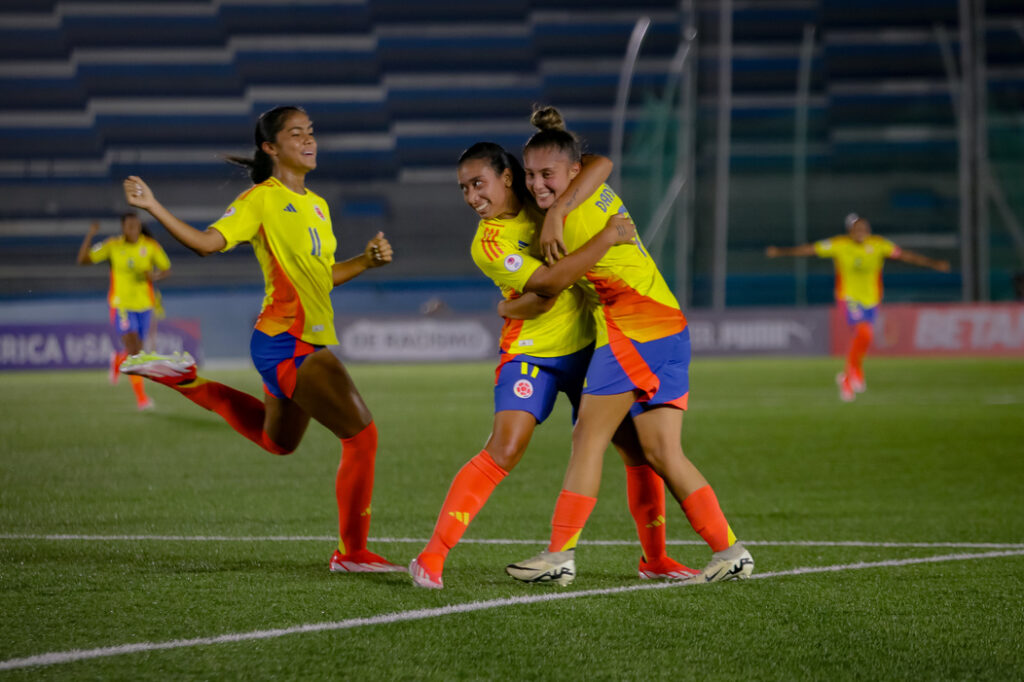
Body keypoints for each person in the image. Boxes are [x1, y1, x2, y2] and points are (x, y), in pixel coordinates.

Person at [118, 105, 402, 574]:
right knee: (362, 438)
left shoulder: (318, 205)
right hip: (287, 340)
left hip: (293, 341)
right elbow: (207, 243)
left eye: (311, 131)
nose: (309, 140)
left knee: (278, 444)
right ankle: (352, 555)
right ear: (271, 148)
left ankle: (184, 380)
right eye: (296, 134)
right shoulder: (259, 200)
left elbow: (321, 276)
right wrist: (152, 206)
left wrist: (365, 262)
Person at [408, 142, 696, 589]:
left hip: (588, 349)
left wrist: (560, 210)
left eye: (478, 183)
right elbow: (546, 288)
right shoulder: (488, 244)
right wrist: (519, 303)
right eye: (464, 188)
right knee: (505, 447)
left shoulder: (547, 201)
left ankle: (655, 559)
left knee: (638, 451)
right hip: (533, 354)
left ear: (507, 178)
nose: (471, 197)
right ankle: (432, 556)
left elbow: (599, 163)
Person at [505, 106, 754, 585]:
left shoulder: (571, 213)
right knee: (662, 452)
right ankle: (730, 550)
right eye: (531, 175)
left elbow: (551, 286)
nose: (537, 185)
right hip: (668, 325)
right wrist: (557, 206)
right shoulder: (590, 187)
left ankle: (559, 556)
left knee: (587, 439)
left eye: (548, 176)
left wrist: (508, 306)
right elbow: (601, 163)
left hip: (635, 327)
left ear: (571, 172)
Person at [766, 213, 950, 401]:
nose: (861, 232)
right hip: (849, 298)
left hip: (872, 299)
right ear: (850, 231)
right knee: (864, 333)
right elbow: (810, 250)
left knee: (863, 337)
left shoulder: (879, 245)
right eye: (857, 229)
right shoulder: (840, 245)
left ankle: (856, 369)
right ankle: (846, 377)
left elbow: (905, 256)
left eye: (864, 228)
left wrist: (933, 263)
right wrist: (781, 252)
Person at [77, 212, 171, 410]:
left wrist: (153, 276)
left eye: (135, 226)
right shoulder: (113, 245)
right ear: (123, 228)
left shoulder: (150, 246)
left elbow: (166, 269)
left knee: (135, 351)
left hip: (145, 306)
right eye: (129, 226)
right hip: (121, 305)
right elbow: (83, 259)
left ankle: (118, 359)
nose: (133, 229)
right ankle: (142, 399)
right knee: (136, 352)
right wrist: (91, 234)